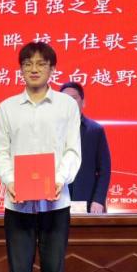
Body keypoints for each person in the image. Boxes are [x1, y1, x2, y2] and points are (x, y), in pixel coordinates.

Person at [0, 42, 81, 272]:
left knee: (54, 271)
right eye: (28, 64)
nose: (34, 69)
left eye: (41, 64)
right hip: (17, 204)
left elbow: (72, 150)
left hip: (56, 203)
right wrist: (10, 181)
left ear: (52, 69)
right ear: (20, 69)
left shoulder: (66, 106)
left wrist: (60, 180)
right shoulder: (7, 108)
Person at [59, 81, 111, 213]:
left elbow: (104, 170)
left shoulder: (95, 130)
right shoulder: (51, 131)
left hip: (86, 200)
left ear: (83, 102)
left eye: (73, 98)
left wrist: (98, 200)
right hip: (56, 200)